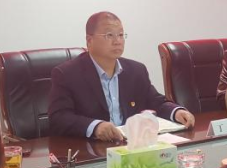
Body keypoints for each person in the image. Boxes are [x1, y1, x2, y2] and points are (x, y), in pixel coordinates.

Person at [48, 11, 194, 141]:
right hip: (90, 151)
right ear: (89, 41)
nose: (117, 41)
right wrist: (95, 127)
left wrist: (176, 112)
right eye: (109, 35)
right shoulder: (67, 74)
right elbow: (59, 118)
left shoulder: (136, 70)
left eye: (120, 35)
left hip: (129, 147)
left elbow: (156, 102)